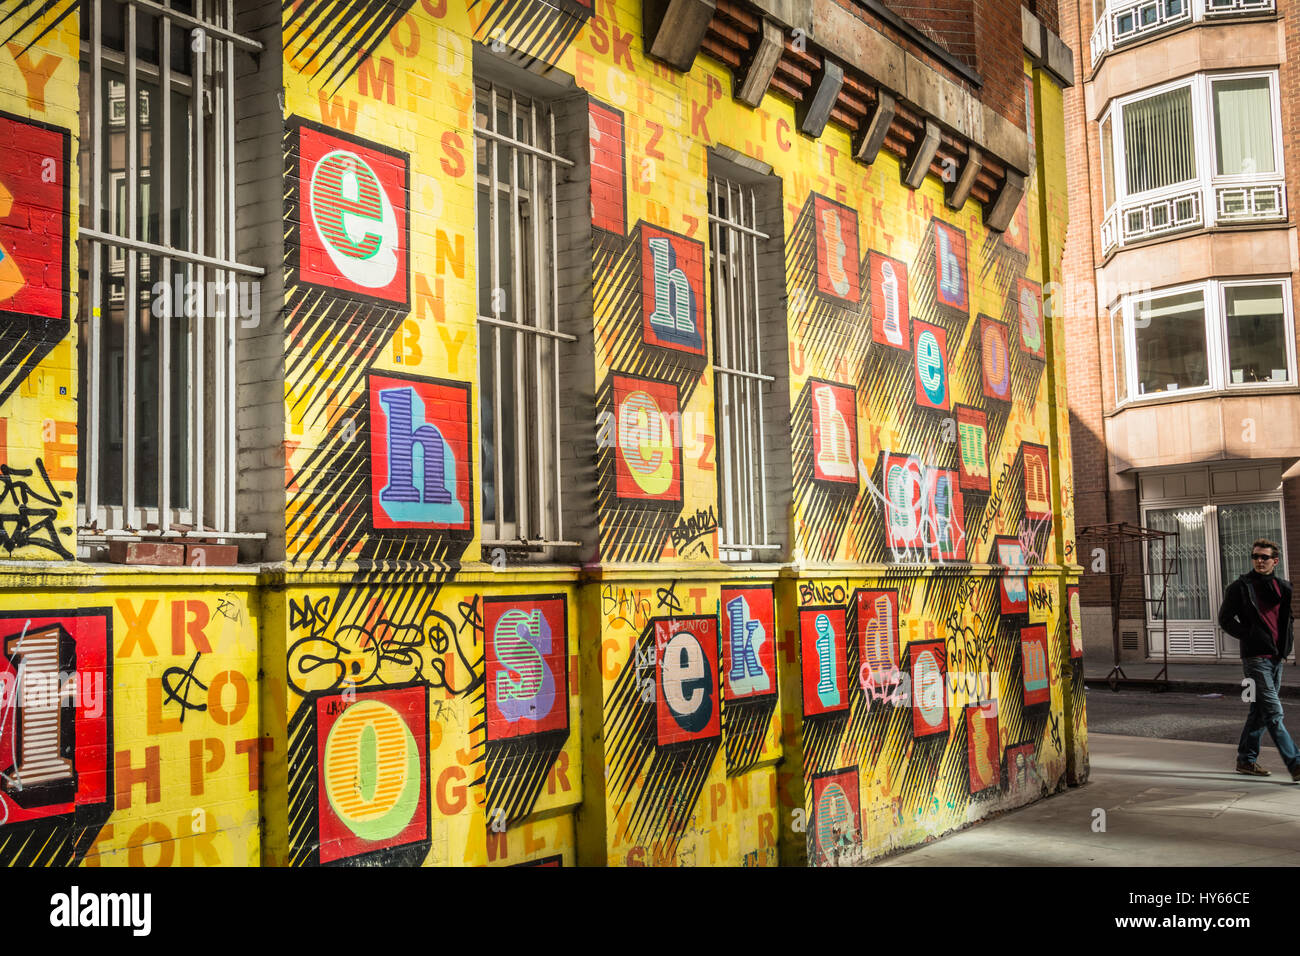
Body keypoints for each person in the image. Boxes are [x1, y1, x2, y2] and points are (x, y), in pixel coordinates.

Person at [1217, 538, 1300, 779]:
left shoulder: (1283, 587)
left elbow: (1287, 620)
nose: (1259, 561)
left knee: (1260, 710)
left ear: (1275, 560)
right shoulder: (1240, 587)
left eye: (1264, 557)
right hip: (1255, 659)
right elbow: (1225, 619)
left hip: (1276, 658)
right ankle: (1295, 763)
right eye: (1255, 557)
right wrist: (1249, 635)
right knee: (1274, 712)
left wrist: (1285, 647)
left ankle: (1246, 760)